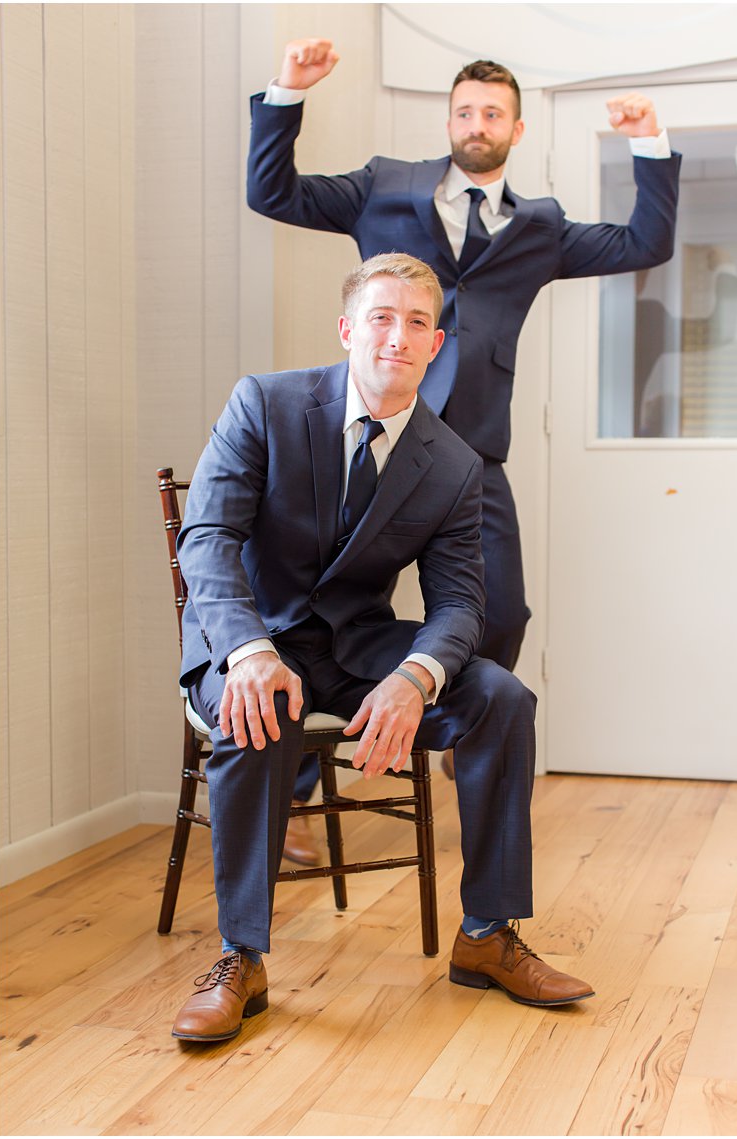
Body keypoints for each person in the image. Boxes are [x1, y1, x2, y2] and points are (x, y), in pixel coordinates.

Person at [246, 38, 681, 842]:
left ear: (516, 131)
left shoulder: (540, 227)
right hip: (366, 437)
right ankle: (299, 785)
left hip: (467, 451)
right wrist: (286, 90)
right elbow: (272, 191)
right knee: (314, 604)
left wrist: (647, 139)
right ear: (448, 120)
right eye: (464, 110)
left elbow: (642, 244)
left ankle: (453, 717)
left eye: (492, 113)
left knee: (501, 609)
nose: (476, 122)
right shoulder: (382, 186)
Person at [171, 254, 592, 1045]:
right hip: (253, 641)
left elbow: (462, 601)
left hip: (358, 649)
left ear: (437, 344)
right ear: (348, 330)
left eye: (418, 323)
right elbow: (208, 539)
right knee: (254, 708)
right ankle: (241, 957)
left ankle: (487, 933)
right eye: (382, 317)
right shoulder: (264, 404)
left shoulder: (455, 463)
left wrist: (416, 676)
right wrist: (248, 650)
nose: (398, 336)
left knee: (502, 697)